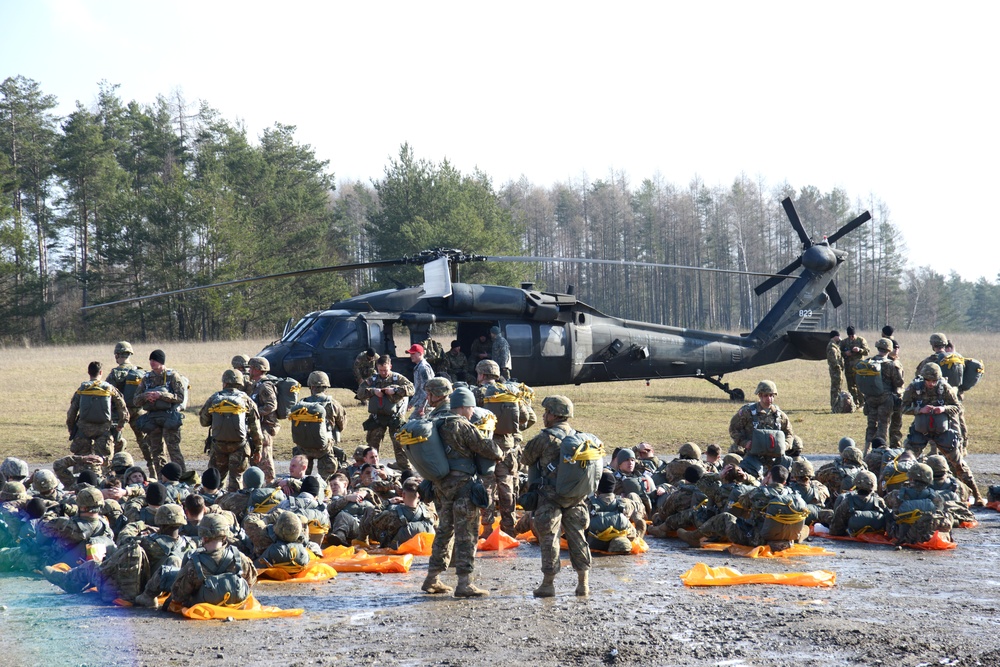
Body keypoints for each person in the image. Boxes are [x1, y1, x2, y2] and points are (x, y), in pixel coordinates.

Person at [421, 385, 502, 598]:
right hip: (463, 487)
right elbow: (486, 448)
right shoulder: (461, 425)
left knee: (444, 532)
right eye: (471, 408)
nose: (473, 412)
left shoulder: (436, 421)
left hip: (440, 487)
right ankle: (465, 583)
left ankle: (432, 578)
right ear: (464, 407)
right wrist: (498, 450)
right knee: (467, 534)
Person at [521, 395, 594, 598]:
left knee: (549, 540)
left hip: (550, 498)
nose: (544, 415)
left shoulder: (545, 438)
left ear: (553, 414)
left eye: (546, 412)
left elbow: (525, 458)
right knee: (578, 538)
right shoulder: (580, 437)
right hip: (576, 498)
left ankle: (548, 584)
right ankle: (583, 584)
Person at [901, 363, 983, 504]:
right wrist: (919, 410)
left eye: (934, 381)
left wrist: (943, 409)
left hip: (942, 430)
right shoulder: (914, 387)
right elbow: (903, 407)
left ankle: (977, 495)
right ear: (923, 378)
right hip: (920, 429)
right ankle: (905, 495)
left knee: (958, 463)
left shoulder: (945, 387)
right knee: (907, 461)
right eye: (929, 381)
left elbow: (957, 407)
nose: (932, 384)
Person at [678, 464, 808, 552]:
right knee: (804, 528)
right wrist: (751, 480)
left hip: (758, 539)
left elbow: (743, 501)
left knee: (725, 517)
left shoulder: (759, 493)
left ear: (768, 477)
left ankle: (694, 537)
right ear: (785, 482)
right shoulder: (794, 495)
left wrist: (759, 485)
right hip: (786, 540)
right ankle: (795, 537)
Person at [472, 359, 528, 537]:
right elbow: (526, 417)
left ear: (481, 374)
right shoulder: (510, 391)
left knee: (487, 487)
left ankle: (487, 529)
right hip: (508, 447)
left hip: (485, 447)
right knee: (507, 487)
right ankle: (509, 529)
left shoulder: (476, 393)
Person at [169, 513, 258, 608]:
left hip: (204, 610)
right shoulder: (240, 558)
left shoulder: (194, 564)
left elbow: (178, 595)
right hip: (236, 606)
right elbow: (250, 582)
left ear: (204, 537)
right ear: (225, 536)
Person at [198, 369, 263, 492]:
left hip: (218, 446)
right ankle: (234, 507)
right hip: (240, 446)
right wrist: (258, 449)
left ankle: (213, 505)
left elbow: (203, 422)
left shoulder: (215, 398)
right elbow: (255, 428)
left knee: (215, 481)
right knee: (236, 480)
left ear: (224, 383)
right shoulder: (246, 400)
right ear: (240, 383)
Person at [67, 361, 129, 479]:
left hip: (83, 429)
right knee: (104, 460)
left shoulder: (82, 389)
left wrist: (71, 427)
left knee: (81, 459)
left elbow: (72, 411)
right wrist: (121, 424)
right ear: (101, 372)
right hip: (104, 429)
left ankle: (80, 482)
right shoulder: (109, 388)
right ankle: (105, 482)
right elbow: (123, 408)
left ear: (89, 372)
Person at [134, 349, 187, 477]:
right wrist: (146, 396)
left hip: (169, 418)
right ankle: (162, 478)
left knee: (173, 449)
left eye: (155, 360)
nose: (152, 362)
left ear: (161, 361)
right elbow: (135, 401)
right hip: (153, 419)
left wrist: (161, 395)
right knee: (156, 452)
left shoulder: (172, 376)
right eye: (151, 360)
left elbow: (180, 397)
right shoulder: (146, 378)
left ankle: (181, 478)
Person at [356, 355, 414, 470]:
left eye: (386, 370)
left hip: (395, 416)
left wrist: (396, 390)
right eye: (381, 370)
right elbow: (360, 392)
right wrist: (373, 391)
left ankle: (403, 466)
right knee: (373, 442)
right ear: (377, 367)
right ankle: (372, 466)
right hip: (378, 416)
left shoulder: (398, 378)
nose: (383, 373)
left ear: (390, 366)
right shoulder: (373, 379)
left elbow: (412, 389)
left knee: (399, 442)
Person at [289, 371, 347, 480]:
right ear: (326, 386)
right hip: (324, 447)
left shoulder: (301, 404)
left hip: (303, 447)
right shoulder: (333, 404)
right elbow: (341, 425)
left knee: (299, 479)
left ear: (311, 386)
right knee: (327, 481)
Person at [859, 338, 904, 453]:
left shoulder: (868, 362)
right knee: (883, 424)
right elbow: (899, 382)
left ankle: (867, 450)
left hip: (870, 398)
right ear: (889, 349)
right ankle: (880, 451)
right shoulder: (891, 365)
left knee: (871, 425)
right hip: (885, 399)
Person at [585, 470, 646, 553]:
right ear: (613, 487)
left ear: (597, 487)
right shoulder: (626, 503)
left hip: (595, 543)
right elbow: (640, 512)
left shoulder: (588, 505)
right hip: (621, 542)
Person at [106, 341, 147, 462]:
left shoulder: (115, 373)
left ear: (117, 355)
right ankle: (152, 468)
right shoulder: (140, 371)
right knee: (144, 440)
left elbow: (108, 393)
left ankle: (117, 466)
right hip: (138, 410)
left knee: (115, 440)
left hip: (120, 412)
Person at [728, 381, 794, 454]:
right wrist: (744, 443)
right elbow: (733, 428)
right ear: (760, 395)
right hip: (752, 455)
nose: (769, 398)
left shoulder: (779, 415)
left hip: (774, 455)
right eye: (766, 395)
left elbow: (789, 433)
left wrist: (785, 445)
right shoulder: (747, 412)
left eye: (771, 395)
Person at [247, 357, 280, 484]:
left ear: (257, 369)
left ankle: (270, 483)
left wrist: (255, 413)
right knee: (258, 456)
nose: (249, 370)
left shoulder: (265, 385)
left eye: (251, 368)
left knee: (265, 456)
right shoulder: (256, 385)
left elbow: (271, 405)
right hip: (259, 425)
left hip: (266, 426)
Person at [828, 471, 887, 537]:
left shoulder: (848, 501)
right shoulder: (879, 501)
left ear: (857, 484)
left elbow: (836, 529)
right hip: (876, 536)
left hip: (851, 535)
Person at [840, 326, 870, 406]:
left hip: (859, 368)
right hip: (849, 367)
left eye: (852, 336)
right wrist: (845, 353)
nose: (851, 337)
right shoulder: (844, 342)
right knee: (851, 386)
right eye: (849, 336)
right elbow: (839, 352)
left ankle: (863, 403)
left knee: (860, 385)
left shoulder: (861, 340)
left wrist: (859, 350)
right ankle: (854, 403)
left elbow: (867, 351)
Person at [407, 344, 435, 419]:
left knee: (414, 424)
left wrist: (423, 406)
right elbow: (418, 389)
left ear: (420, 353)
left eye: (413, 353)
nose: (411, 356)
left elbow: (428, 389)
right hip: (422, 403)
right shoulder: (419, 367)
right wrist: (411, 403)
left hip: (426, 405)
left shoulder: (423, 368)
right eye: (410, 354)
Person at [826, 330, 847, 412]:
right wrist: (838, 367)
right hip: (835, 370)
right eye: (838, 336)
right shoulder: (831, 347)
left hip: (837, 370)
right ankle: (834, 406)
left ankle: (837, 405)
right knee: (835, 388)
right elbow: (833, 360)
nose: (839, 337)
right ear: (835, 336)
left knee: (838, 387)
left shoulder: (835, 345)